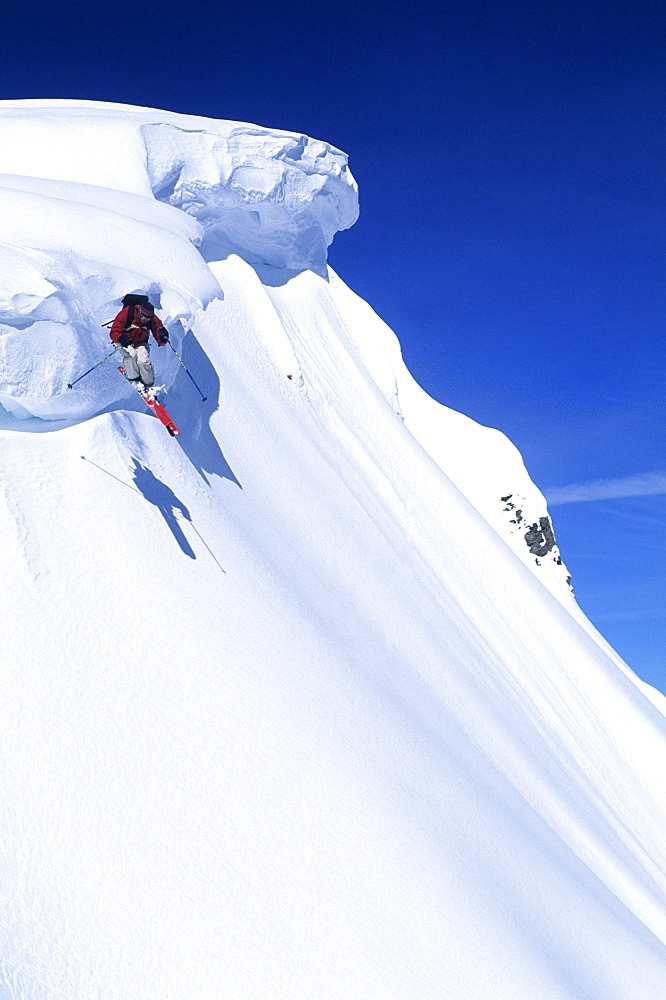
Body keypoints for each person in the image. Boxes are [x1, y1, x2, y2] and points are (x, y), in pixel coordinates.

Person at [110, 299, 169, 394]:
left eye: (147, 319)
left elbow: (158, 332)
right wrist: (121, 338)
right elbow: (114, 331)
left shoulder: (152, 318)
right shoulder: (127, 313)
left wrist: (163, 337)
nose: (144, 320)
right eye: (143, 317)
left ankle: (148, 384)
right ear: (139, 311)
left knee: (143, 360)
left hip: (141, 342)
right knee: (131, 355)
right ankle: (134, 379)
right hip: (125, 341)